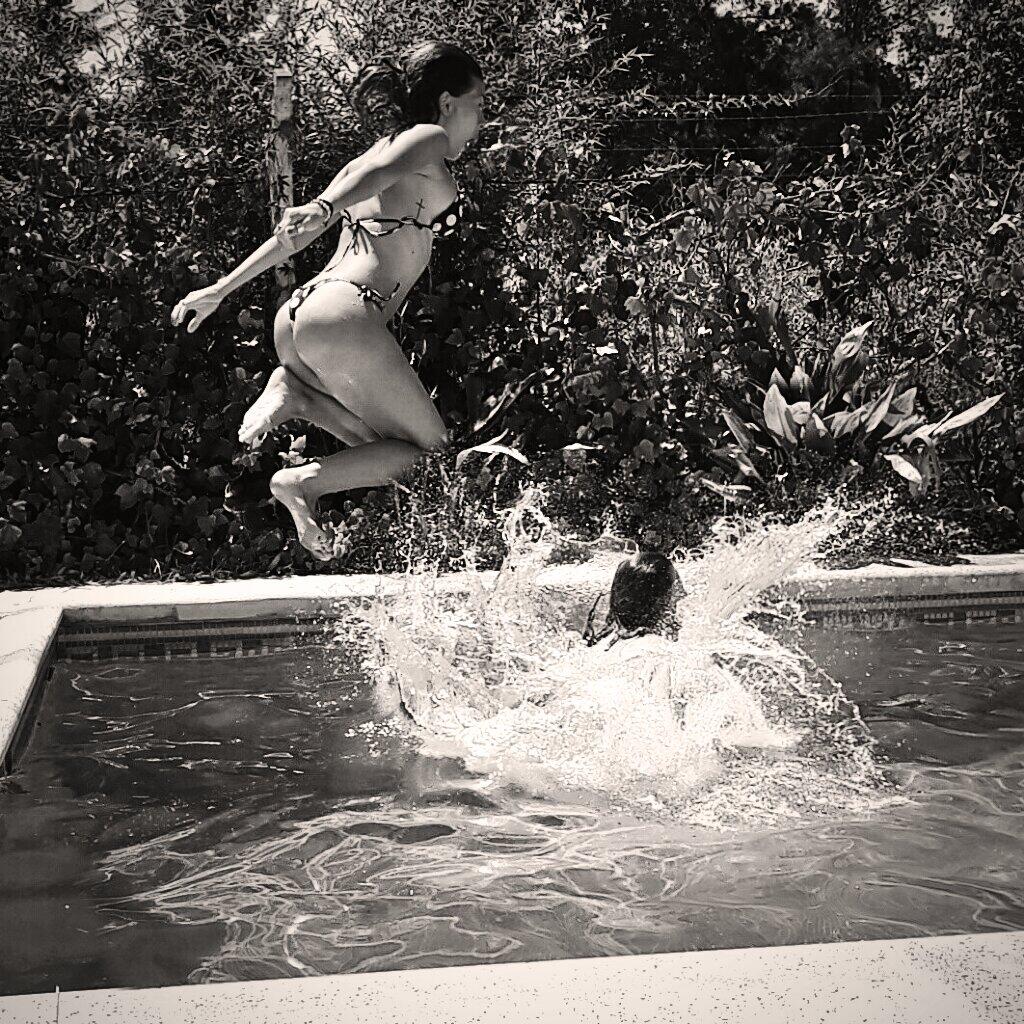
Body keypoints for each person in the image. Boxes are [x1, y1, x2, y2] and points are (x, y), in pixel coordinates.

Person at [170, 43, 488, 560]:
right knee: (433, 457)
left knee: (384, 449)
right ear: (447, 103)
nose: (480, 120)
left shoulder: (371, 154)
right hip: (346, 317)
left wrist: (221, 289)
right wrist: (323, 205)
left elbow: (294, 235)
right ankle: (299, 483)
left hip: (301, 315)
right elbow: (356, 190)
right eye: (478, 104)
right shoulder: (426, 137)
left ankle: (296, 394)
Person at [583, 551, 684, 647]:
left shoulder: (603, 640)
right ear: (662, 601)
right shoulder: (658, 648)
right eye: (675, 589)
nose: (683, 595)